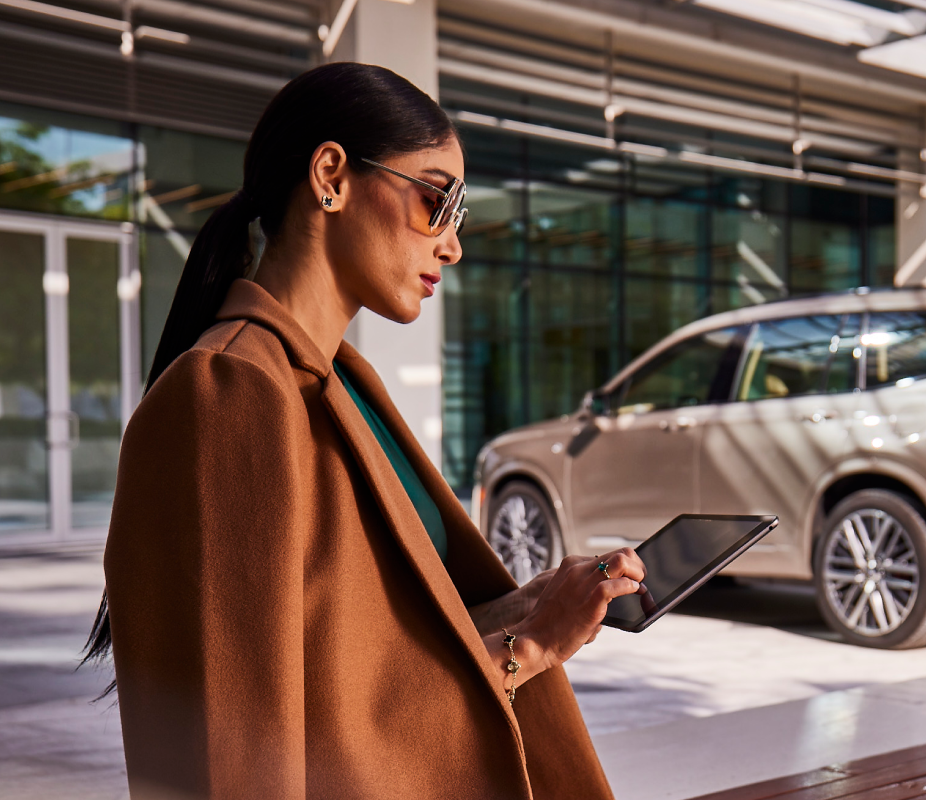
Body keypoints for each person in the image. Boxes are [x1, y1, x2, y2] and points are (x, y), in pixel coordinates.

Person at [85, 61, 646, 800]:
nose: (451, 245)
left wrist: (526, 606)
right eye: (433, 200)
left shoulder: (342, 384)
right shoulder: (224, 394)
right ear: (331, 176)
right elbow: (235, 753)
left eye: (458, 215)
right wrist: (527, 647)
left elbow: (372, 656)